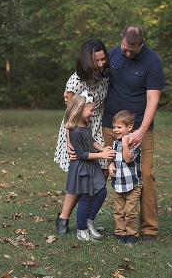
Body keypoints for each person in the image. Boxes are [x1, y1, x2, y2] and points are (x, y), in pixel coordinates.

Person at [102, 24, 164, 242]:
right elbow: (92, 77)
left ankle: (149, 229)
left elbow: (152, 99)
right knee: (102, 171)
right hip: (110, 125)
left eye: (132, 50)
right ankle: (88, 222)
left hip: (139, 128)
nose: (127, 53)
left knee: (145, 175)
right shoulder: (112, 54)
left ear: (142, 43)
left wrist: (140, 131)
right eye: (125, 49)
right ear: (121, 39)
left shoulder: (152, 62)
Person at [53, 39, 111, 235]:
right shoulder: (75, 81)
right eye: (97, 60)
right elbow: (70, 114)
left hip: (96, 128)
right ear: (88, 61)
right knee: (81, 177)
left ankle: (87, 219)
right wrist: (70, 141)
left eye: (103, 59)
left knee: (101, 174)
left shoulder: (105, 77)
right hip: (75, 130)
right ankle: (63, 218)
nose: (102, 63)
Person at [63, 91, 115, 241]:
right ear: (79, 110)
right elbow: (81, 155)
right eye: (91, 110)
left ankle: (89, 221)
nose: (93, 113)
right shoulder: (75, 130)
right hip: (82, 168)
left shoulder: (85, 124)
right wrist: (101, 155)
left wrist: (102, 149)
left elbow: (91, 141)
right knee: (85, 197)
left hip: (92, 165)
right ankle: (81, 230)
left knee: (101, 192)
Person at [107, 110, 142, 244]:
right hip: (118, 183)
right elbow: (114, 157)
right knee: (119, 211)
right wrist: (110, 164)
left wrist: (126, 144)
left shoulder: (134, 142)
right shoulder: (116, 143)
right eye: (114, 127)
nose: (115, 130)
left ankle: (132, 234)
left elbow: (128, 159)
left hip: (132, 184)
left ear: (129, 127)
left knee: (130, 211)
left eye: (119, 127)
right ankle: (120, 232)